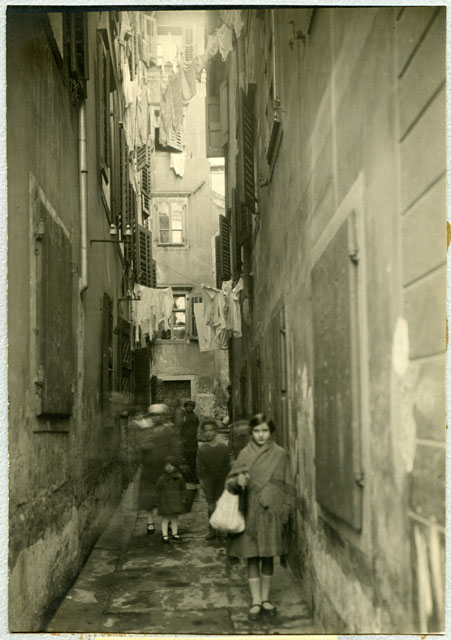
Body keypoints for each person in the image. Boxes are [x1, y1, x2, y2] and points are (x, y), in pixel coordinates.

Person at [225, 413, 296, 621]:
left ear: (271, 432)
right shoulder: (245, 454)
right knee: (252, 556)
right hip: (250, 512)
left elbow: (289, 484)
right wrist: (238, 482)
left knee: (268, 556)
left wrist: (286, 509)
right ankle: (256, 601)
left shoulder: (281, 454)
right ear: (251, 432)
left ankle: (266, 599)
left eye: (265, 430)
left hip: (272, 513)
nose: (261, 435)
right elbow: (230, 483)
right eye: (257, 431)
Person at [134, 404, 181, 534]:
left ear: (163, 416)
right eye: (153, 415)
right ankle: (150, 522)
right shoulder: (145, 430)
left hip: (165, 467)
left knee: (167, 494)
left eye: (158, 415)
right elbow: (139, 446)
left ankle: (169, 521)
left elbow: (175, 448)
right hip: (149, 467)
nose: (156, 417)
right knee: (148, 496)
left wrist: (174, 463)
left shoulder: (169, 430)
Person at [196, 419, 230, 540]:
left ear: (216, 431)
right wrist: (202, 482)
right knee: (211, 506)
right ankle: (212, 529)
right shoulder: (202, 449)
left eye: (211, 430)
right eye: (206, 431)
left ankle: (222, 529)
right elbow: (199, 468)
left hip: (222, 479)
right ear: (203, 433)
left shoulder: (223, 448)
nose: (209, 433)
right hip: (209, 479)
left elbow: (228, 466)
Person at [155, 455, 187, 543]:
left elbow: (183, 488)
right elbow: (157, 490)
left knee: (174, 518)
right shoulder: (161, 479)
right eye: (167, 465)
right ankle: (165, 535)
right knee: (165, 518)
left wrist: (183, 498)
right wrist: (157, 501)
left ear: (175, 467)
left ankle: (174, 533)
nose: (169, 467)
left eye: (171, 465)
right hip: (164, 502)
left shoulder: (179, 478)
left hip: (175, 501)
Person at [181, 400, 200, 483]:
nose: (189, 408)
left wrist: (183, 440)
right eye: (187, 406)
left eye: (191, 406)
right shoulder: (185, 416)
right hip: (185, 443)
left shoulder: (194, 417)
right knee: (185, 460)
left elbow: (191, 431)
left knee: (192, 462)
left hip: (191, 443)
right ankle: (187, 478)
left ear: (193, 408)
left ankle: (193, 479)